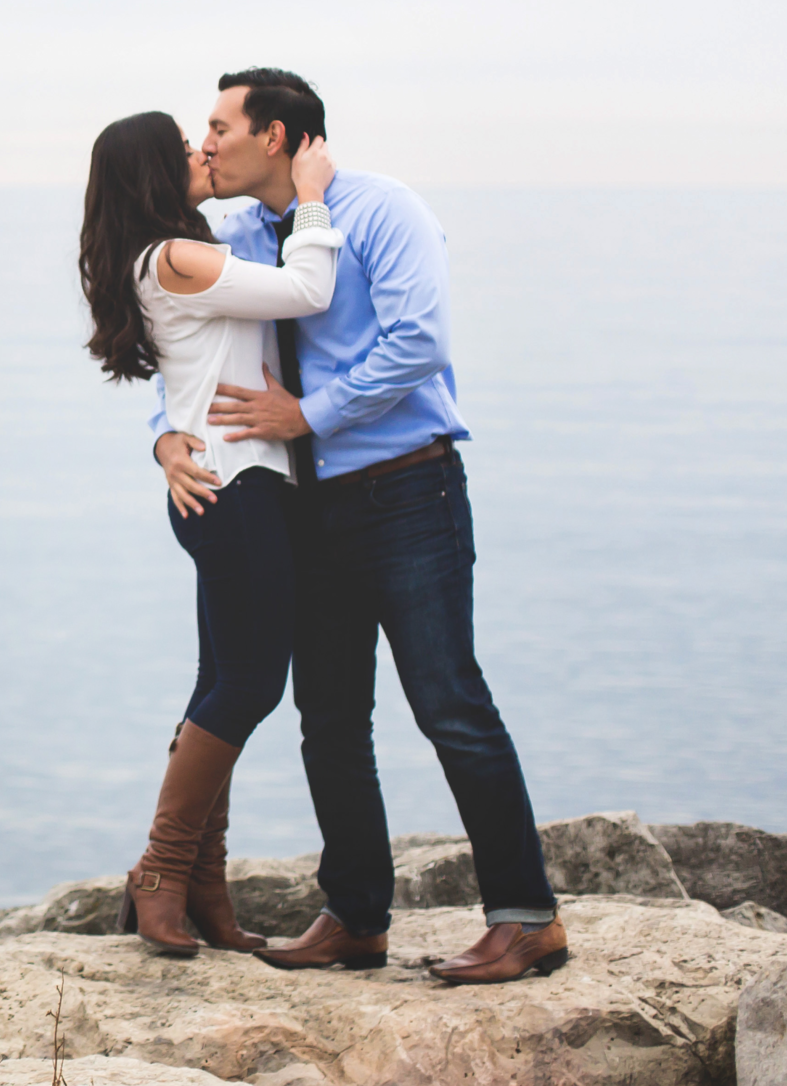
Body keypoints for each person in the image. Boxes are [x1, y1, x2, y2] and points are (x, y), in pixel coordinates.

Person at [157, 67, 566, 985]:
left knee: (449, 702)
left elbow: (419, 340)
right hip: (306, 507)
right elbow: (187, 350)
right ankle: (356, 915)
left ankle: (525, 916)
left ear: (275, 136)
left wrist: (312, 412)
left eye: (219, 126)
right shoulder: (235, 233)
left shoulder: (384, 211)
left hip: (408, 494)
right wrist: (165, 440)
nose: (207, 142)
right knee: (329, 717)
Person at [79, 109, 341, 955]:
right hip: (234, 490)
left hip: (224, 484)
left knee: (220, 681)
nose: (202, 148)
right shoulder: (177, 257)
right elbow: (308, 290)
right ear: (155, 171)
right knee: (250, 685)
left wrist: (162, 439)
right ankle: (162, 867)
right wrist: (309, 200)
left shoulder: (174, 249)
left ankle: (202, 884)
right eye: (182, 145)